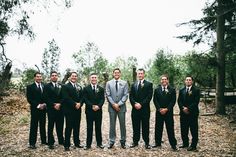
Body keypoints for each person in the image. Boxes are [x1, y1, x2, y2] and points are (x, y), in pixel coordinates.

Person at [129, 68, 153, 149]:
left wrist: (141, 104)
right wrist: (135, 104)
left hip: (145, 110)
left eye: (141, 73)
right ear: (137, 74)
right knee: (135, 126)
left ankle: (147, 142)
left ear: (144, 74)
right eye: (139, 73)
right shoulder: (133, 84)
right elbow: (131, 96)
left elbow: (149, 97)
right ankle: (135, 142)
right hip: (135, 109)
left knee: (145, 126)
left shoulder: (149, 84)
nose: (140, 75)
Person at [153, 75, 177, 151]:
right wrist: (159, 109)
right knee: (158, 127)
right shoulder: (157, 90)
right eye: (162, 79)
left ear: (168, 80)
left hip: (168, 112)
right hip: (159, 112)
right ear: (160, 81)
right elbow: (155, 100)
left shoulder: (172, 90)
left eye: (165, 79)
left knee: (170, 128)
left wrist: (167, 109)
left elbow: (173, 101)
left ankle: (173, 144)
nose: (163, 81)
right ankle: (157, 143)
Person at [106, 68, 129, 149]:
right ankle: (111, 141)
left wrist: (118, 104)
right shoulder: (108, 83)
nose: (116, 74)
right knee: (112, 125)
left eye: (118, 73)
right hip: (112, 108)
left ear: (120, 74)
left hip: (121, 107)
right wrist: (113, 104)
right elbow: (108, 95)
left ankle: (123, 141)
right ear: (113, 74)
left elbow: (126, 95)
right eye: (115, 72)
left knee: (122, 125)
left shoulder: (124, 83)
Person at [61, 72, 83, 151]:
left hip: (78, 110)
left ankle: (77, 143)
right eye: (72, 76)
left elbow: (82, 97)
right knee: (69, 127)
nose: (74, 77)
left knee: (77, 127)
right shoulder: (65, 86)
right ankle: (67, 144)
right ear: (69, 77)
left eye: (75, 76)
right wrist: (75, 104)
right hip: (69, 110)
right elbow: (66, 97)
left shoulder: (79, 86)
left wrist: (80, 103)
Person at [178, 76, 200, 151]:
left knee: (194, 129)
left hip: (192, 113)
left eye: (189, 80)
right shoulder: (182, 90)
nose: (188, 81)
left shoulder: (196, 90)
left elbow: (196, 101)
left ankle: (193, 145)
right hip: (183, 113)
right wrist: (183, 108)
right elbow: (179, 101)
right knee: (184, 129)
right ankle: (185, 143)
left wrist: (188, 108)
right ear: (185, 81)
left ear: (192, 81)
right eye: (187, 80)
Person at [83, 73, 105, 150]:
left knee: (98, 127)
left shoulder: (101, 89)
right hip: (89, 111)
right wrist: (92, 106)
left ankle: (99, 143)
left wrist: (98, 106)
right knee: (89, 128)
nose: (94, 79)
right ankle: (88, 144)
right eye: (92, 77)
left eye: (95, 77)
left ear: (97, 79)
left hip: (98, 111)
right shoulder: (86, 88)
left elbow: (102, 99)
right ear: (90, 79)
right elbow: (85, 99)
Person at [26, 72, 47, 149]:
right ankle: (32, 143)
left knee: (43, 125)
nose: (39, 78)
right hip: (35, 109)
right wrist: (38, 105)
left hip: (44, 109)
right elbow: (29, 99)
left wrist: (45, 104)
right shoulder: (30, 87)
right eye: (37, 77)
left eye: (40, 77)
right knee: (34, 126)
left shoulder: (44, 86)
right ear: (34, 78)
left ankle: (44, 141)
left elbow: (47, 97)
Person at [44, 71, 64, 149]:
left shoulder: (61, 86)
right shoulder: (46, 86)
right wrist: (53, 104)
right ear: (50, 77)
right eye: (53, 75)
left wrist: (60, 104)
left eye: (56, 75)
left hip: (60, 108)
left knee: (60, 125)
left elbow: (64, 96)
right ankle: (50, 142)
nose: (54, 77)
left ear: (57, 77)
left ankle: (61, 140)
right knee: (51, 125)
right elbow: (46, 97)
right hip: (51, 109)